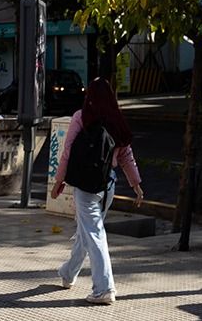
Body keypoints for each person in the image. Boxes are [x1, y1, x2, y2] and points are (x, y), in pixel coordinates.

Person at [50, 78, 144, 305]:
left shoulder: (81, 117)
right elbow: (126, 155)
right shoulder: (116, 120)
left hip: (85, 185)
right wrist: (136, 184)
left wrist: (59, 181)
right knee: (87, 232)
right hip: (107, 184)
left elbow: (68, 152)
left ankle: (104, 288)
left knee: (94, 233)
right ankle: (68, 273)